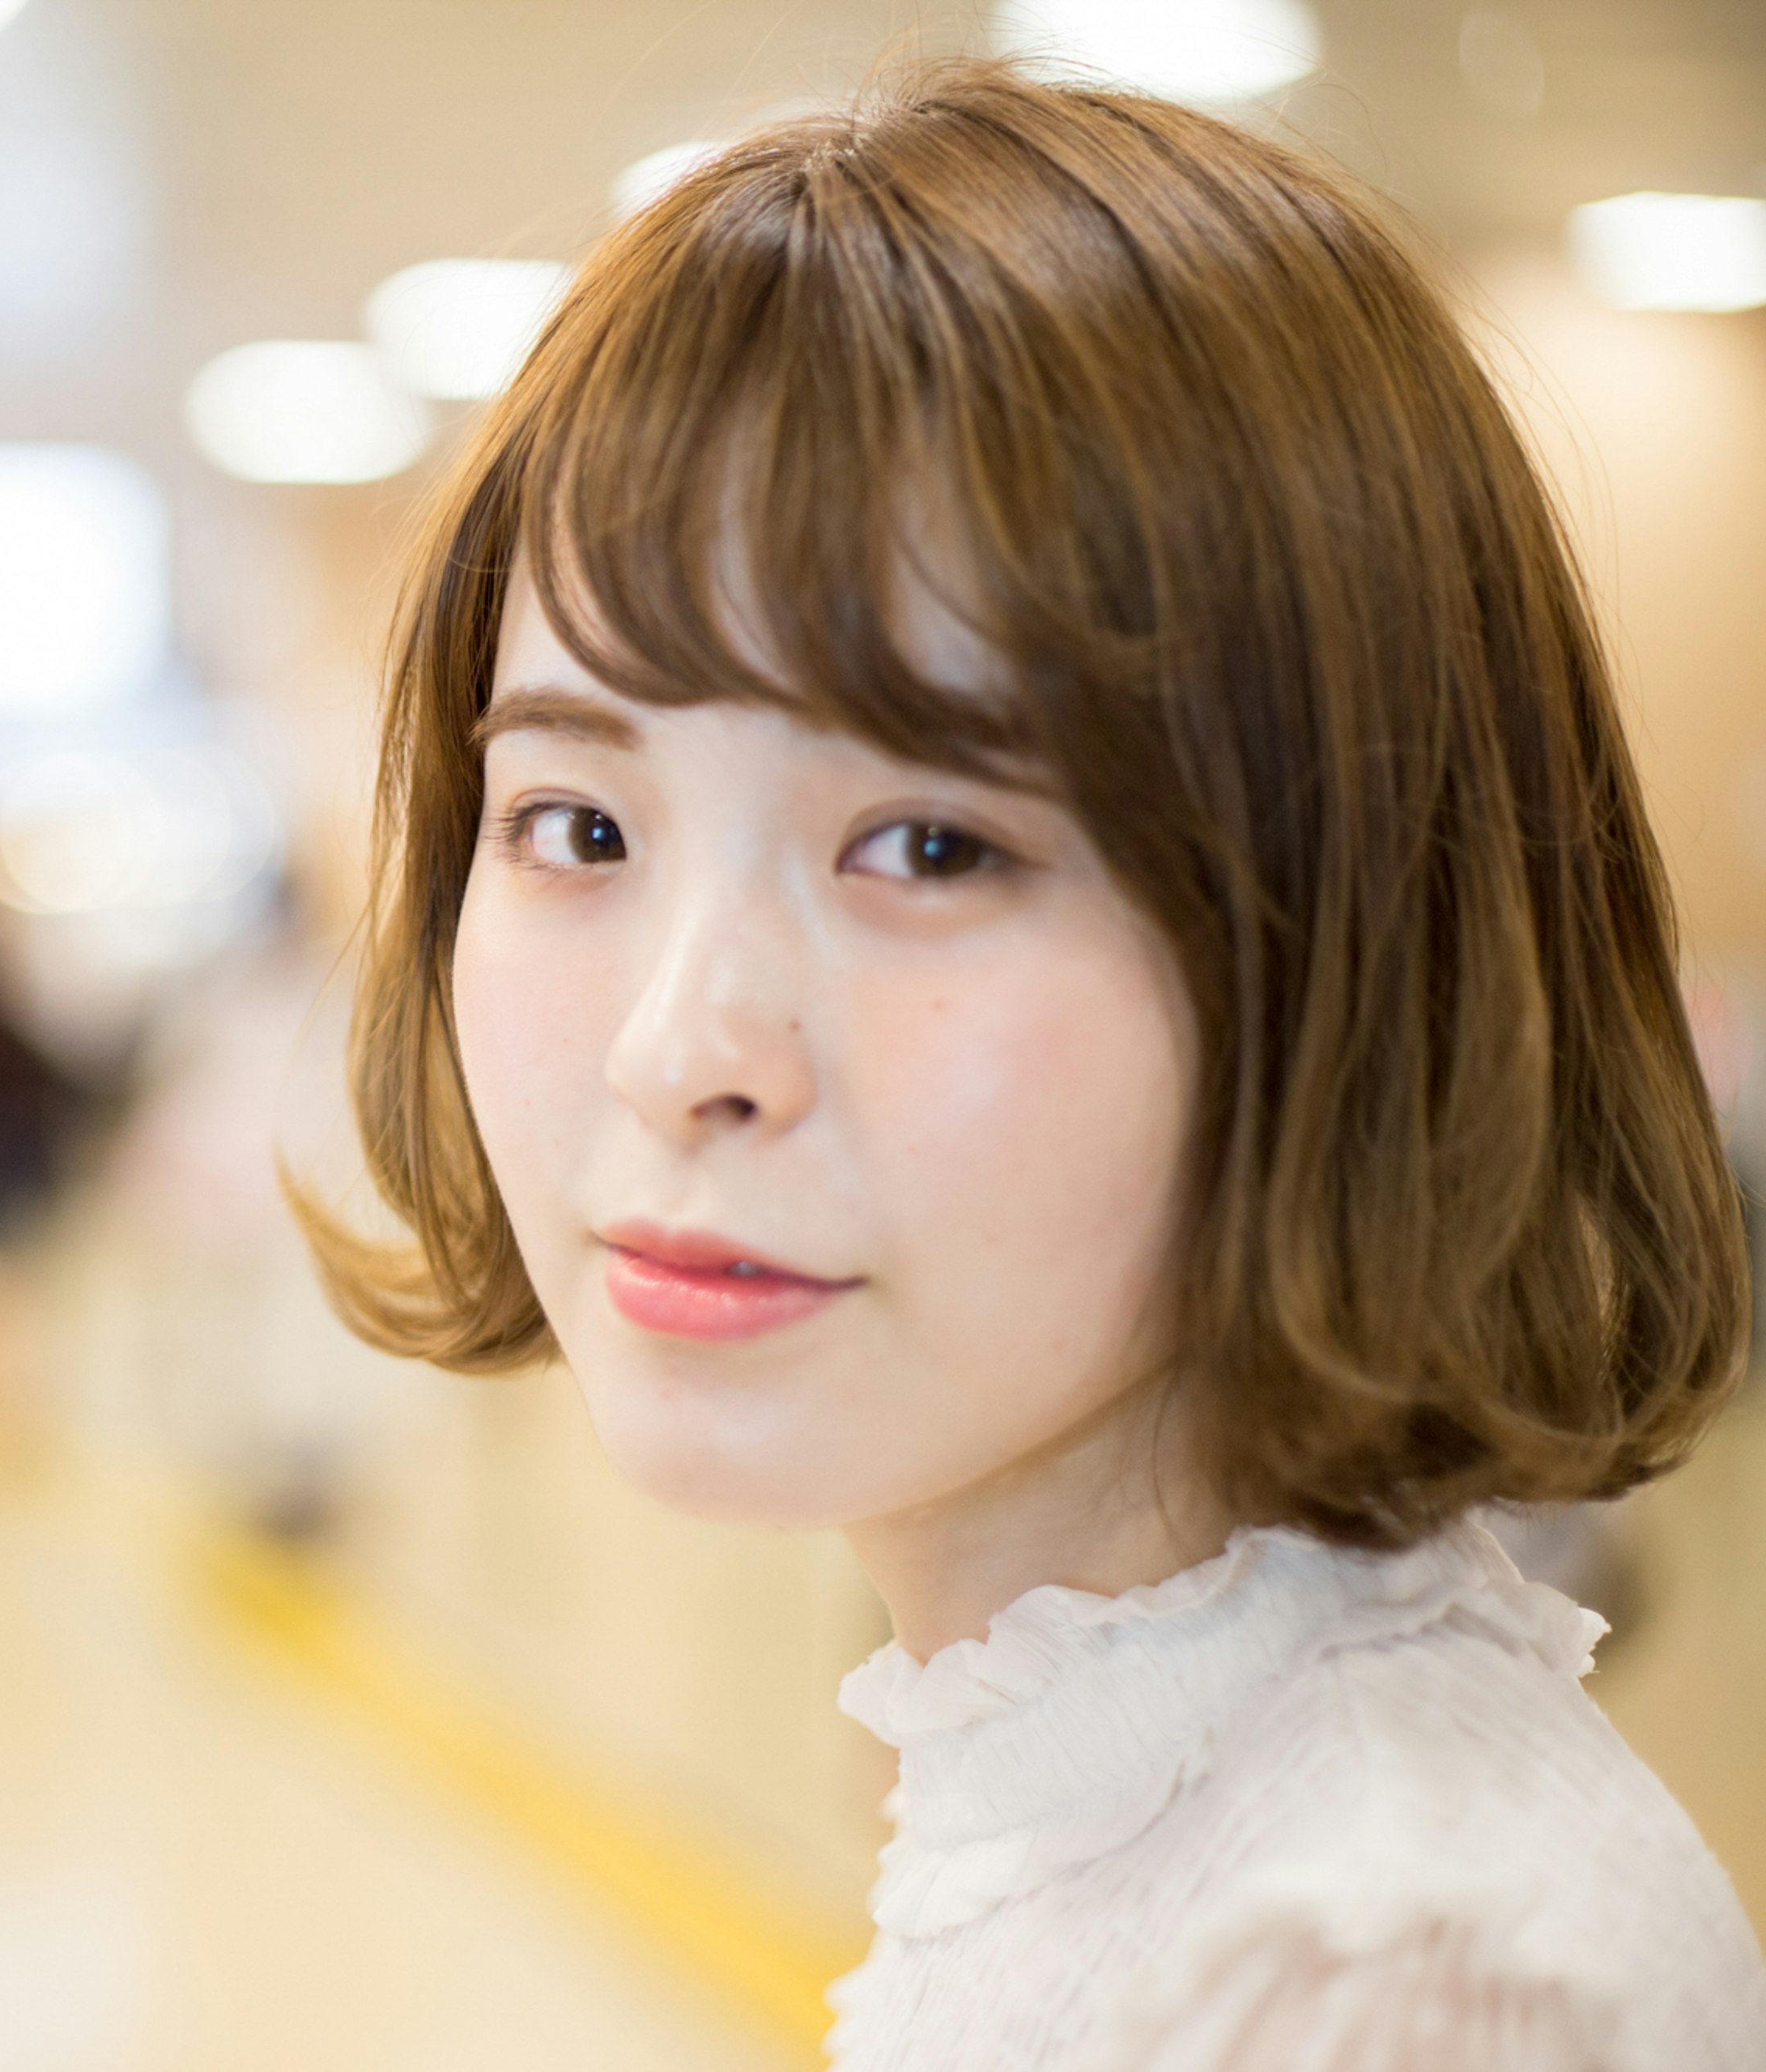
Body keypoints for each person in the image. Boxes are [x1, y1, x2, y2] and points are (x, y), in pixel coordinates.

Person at [297, 60, 1766, 2071]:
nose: (682, 1048)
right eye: (581, 826)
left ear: (1352, 918)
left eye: (928, 845)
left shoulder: (1410, 1989)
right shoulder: (1129, 1815)